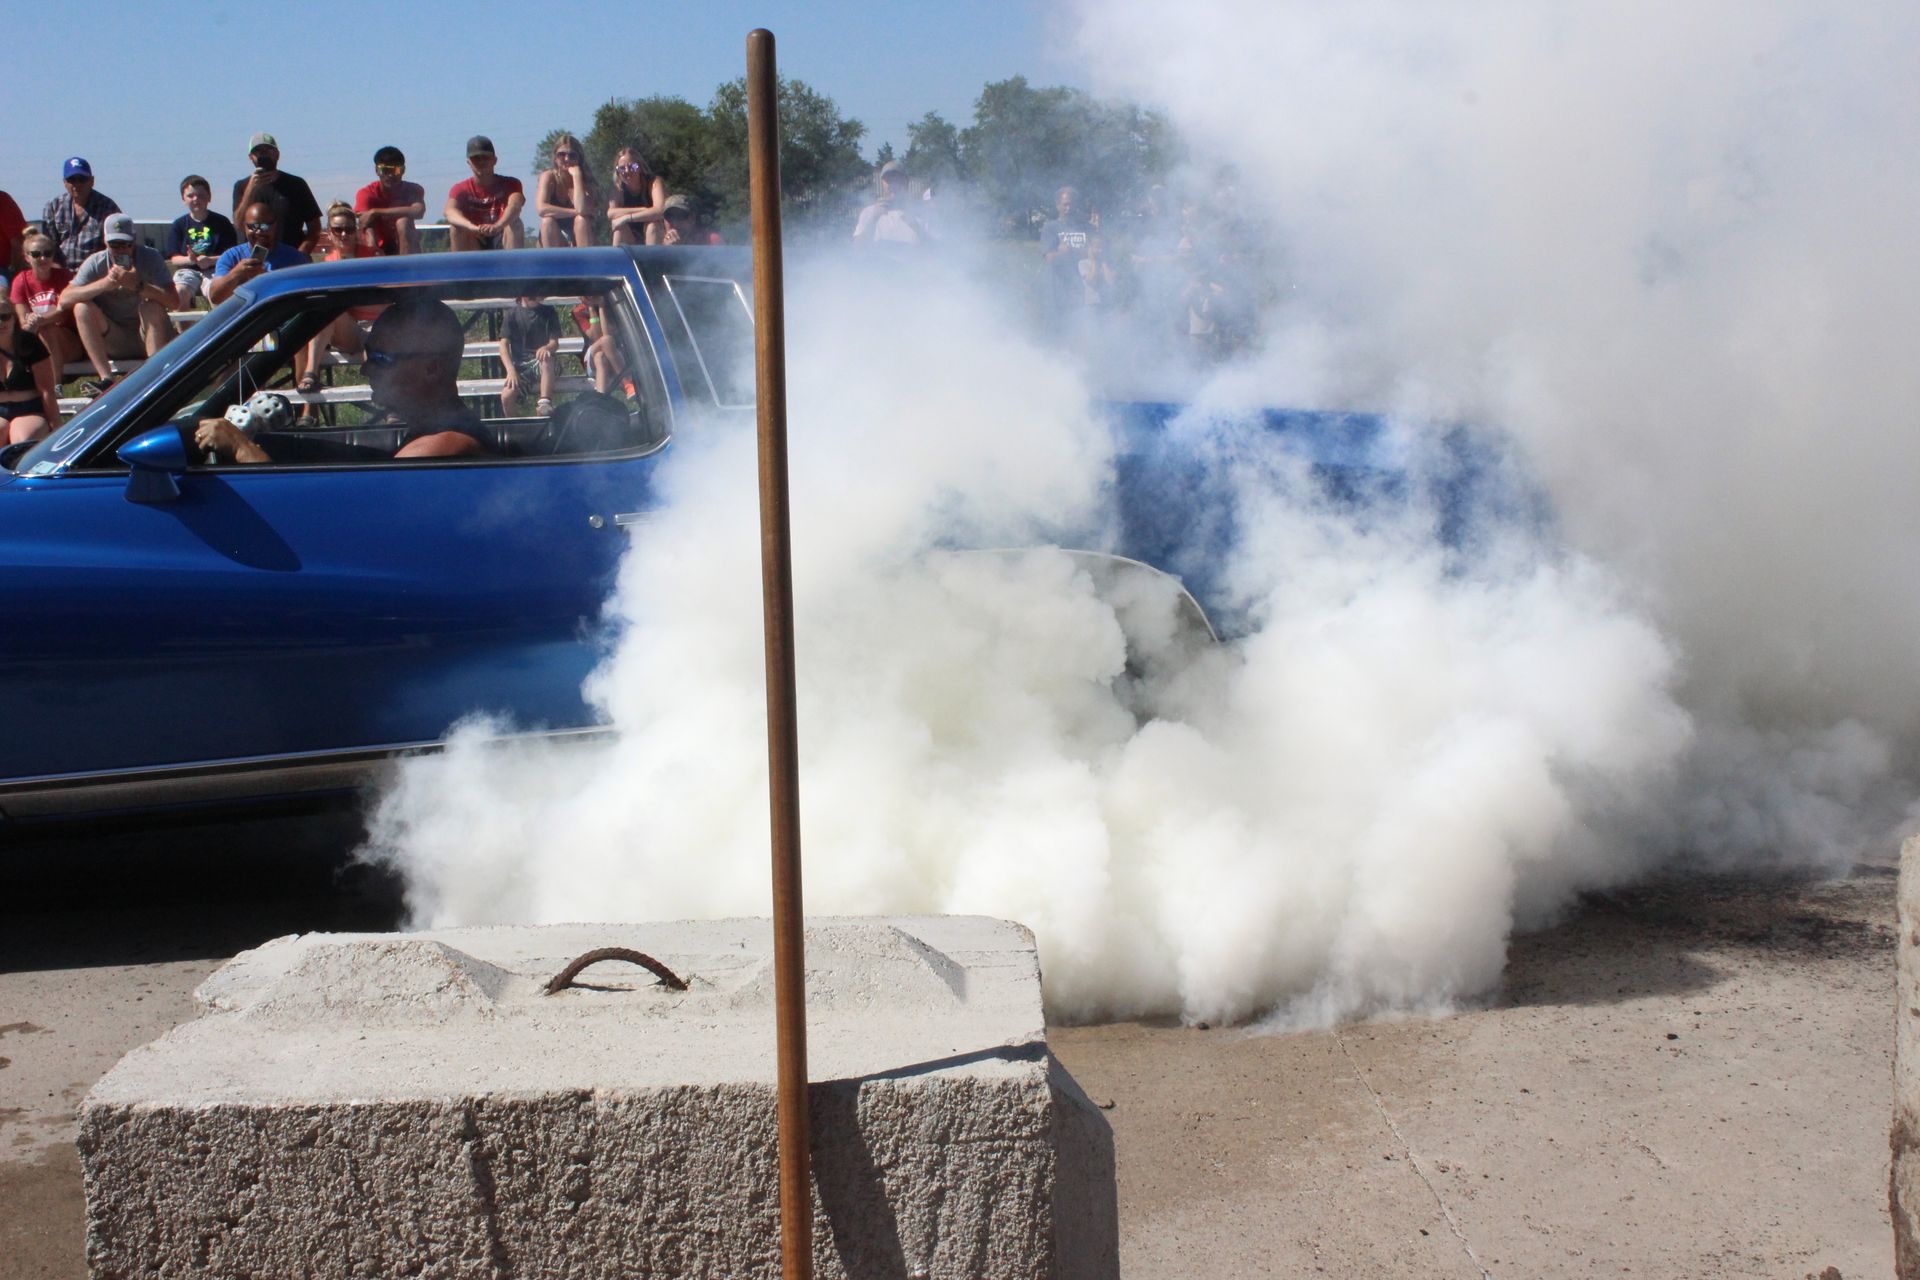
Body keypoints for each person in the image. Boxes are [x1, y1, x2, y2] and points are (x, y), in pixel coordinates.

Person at [197, 297, 488, 463]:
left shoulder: (438, 450)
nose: (365, 371)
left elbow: (333, 535)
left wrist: (241, 449)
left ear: (432, 369)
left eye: (380, 359)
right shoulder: (434, 434)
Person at [62, 214, 175, 395]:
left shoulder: (151, 257)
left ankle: (154, 377)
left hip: (151, 332)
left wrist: (139, 285)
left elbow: (174, 301)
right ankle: (106, 380)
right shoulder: (95, 262)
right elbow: (64, 299)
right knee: (81, 308)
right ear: (105, 243)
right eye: (114, 245)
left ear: (134, 241)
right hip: (115, 338)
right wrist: (104, 284)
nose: (120, 250)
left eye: (126, 244)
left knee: (151, 306)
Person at [298, 205, 377, 397]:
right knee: (326, 310)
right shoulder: (328, 263)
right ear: (329, 233)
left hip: (375, 325)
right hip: (348, 329)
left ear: (356, 231)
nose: (344, 234)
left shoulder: (373, 257)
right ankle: (311, 372)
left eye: (349, 229)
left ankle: (388, 402)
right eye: (337, 229)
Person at [10, 232, 77, 418]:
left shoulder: (64, 276)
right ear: (26, 257)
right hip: (37, 343)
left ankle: (55, 385)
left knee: (47, 329)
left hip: (68, 341)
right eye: (36, 254)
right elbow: (23, 319)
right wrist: (33, 322)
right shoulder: (20, 281)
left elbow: (63, 310)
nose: (43, 258)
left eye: (48, 253)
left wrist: (39, 320)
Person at [231, 133, 321, 254]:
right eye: (259, 152)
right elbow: (238, 224)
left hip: (289, 257)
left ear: (277, 154)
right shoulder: (241, 186)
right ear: (251, 157)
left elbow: (314, 227)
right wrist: (251, 189)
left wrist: (300, 255)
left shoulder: (296, 185)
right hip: (254, 259)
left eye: (269, 151)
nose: (264, 155)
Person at [207, 203, 310, 306]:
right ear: (245, 227)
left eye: (265, 226)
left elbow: (308, 294)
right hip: (245, 318)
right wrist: (237, 273)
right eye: (253, 226)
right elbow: (215, 297)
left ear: (275, 226)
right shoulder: (231, 257)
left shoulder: (294, 258)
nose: (259, 232)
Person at [166, 175, 239, 309]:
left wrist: (210, 260)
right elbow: (174, 259)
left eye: (200, 195)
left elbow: (231, 254)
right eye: (190, 196)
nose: (196, 199)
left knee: (217, 294)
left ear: (209, 197)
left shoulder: (222, 222)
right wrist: (190, 259)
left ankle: (220, 329)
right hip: (188, 270)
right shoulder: (179, 224)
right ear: (183, 199)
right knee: (179, 294)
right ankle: (186, 330)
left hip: (216, 269)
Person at [445, 136, 525, 250]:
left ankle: (512, 265)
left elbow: (515, 206)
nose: (481, 162)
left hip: (501, 237)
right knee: (455, 228)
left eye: (486, 157)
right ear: (469, 162)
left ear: (495, 160)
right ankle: (462, 267)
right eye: (476, 159)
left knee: (515, 223)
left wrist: (498, 226)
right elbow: (449, 212)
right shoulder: (460, 189)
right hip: (474, 239)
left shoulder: (511, 184)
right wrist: (470, 227)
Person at [41, 158, 121, 270]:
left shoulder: (108, 207)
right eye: (72, 180)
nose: (77, 184)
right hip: (61, 273)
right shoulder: (53, 206)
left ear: (92, 181)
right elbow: (47, 245)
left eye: (82, 179)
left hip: (96, 273)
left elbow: (119, 246)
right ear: (64, 182)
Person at [354, 146, 425, 256]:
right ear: (377, 171)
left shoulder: (413, 190)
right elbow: (363, 220)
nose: (390, 175)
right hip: (377, 245)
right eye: (385, 170)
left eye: (395, 170)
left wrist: (375, 212)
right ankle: (373, 262)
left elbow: (418, 211)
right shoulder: (366, 194)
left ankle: (405, 267)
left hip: (406, 244)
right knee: (368, 226)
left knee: (403, 222)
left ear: (403, 170)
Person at [499, 292, 560, 416]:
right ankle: (516, 428)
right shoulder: (511, 314)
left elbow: (555, 343)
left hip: (546, 364)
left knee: (546, 359)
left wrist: (546, 348)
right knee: (506, 397)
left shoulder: (549, 312)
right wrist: (511, 371)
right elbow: (503, 346)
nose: (533, 295)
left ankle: (545, 402)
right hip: (522, 367)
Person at [1039, 185, 1093, 322]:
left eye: (1072, 205)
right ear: (1058, 205)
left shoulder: (1087, 228)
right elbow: (1049, 258)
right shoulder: (1050, 228)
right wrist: (1061, 253)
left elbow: (1096, 252)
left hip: (1086, 290)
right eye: (1065, 205)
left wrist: (1073, 251)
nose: (1068, 208)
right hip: (1060, 292)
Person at [851, 161, 930, 251]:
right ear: (882, 183)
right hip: (877, 265)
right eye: (888, 180)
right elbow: (857, 251)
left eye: (896, 179)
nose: (891, 184)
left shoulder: (921, 213)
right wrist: (874, 219)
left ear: (906, 182)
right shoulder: (869, 212)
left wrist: (915, 226)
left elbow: (936, 254)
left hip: (915, 265)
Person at [0, 308, 52, 444]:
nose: (0, 322)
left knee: (23, 441)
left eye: (4, 316)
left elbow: (47, 391)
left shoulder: (29, 343)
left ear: (14, 318)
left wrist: (56, 425)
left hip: (29, 408)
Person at [535, 134, 597, 248]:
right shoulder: (548, 176)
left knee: (581, 220)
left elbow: (582, 209)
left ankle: (585, 262)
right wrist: (574, 212)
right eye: (561, 155)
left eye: (572, 155)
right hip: (554, 236)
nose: (567, 159)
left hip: (579, 235)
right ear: (555, 157)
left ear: (579, 159)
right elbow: (541, 209)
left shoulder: (587, 181)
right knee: (547, 221)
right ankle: (553, 264)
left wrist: (577, 177)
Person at [607, 147, 666, 246]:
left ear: (640, 167)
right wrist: (644, 210)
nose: (627, 171)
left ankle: (651, 260)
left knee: (652, 226)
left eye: (632, 167)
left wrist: (627, 218)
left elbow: (660, 210)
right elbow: (611, 213)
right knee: (619, 228)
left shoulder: (654, 183)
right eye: (621, 168)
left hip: (655, 233)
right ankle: (616, 260)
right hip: (630, 236)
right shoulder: (618, 188)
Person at [0, 189, 25, 282]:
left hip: (2, 269)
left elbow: (19, 242)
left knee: (1, 293)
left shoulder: (2, 201)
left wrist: (17, 277)